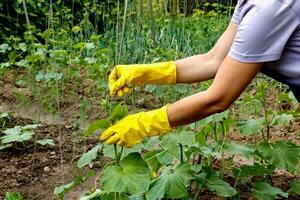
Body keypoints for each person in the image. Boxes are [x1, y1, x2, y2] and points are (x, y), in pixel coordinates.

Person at [100, 0, 300, 147]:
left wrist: (144, 124)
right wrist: (145, 73)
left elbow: (218, 99)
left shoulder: (268, 8)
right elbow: (213, 60)